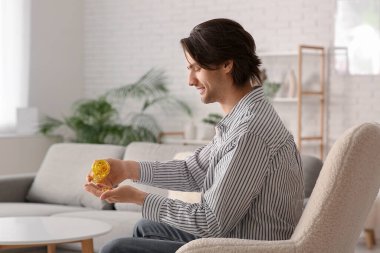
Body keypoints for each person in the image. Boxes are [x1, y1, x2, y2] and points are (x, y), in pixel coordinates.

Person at [84, 18, 304, 253]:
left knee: (115, 249)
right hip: (235, 234)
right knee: (145, 227)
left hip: (246, 247)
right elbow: (193, 170)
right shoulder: (244, 117)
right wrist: (127, 168)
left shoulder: (249, 132)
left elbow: (211, 223)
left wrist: (140, 198)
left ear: (227, 64)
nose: (190, 81)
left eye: (197, 68)